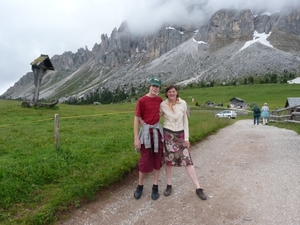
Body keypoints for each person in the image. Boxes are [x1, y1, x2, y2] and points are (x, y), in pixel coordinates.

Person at [159, 85, 207, 200]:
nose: (171, 93)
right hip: (168, 135)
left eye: (173, 91)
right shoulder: (162, 105)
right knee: (169, 161)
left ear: (177, 92)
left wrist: (186, 138)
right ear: (166, 94)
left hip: (180, 134)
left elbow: (185, 121)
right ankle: (169, 185)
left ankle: (198, 188)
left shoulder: (183, 103)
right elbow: (156, 116)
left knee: (187, 160)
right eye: (169, 92)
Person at [133, 77, 164, 200]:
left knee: (157, 159)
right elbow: (136, 118)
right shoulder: (142, 100)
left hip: (157, 132)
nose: (155, 88)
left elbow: (162, 112)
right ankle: (140, 185)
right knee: (144, 160)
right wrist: (136, 138)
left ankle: (155, 186)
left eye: (157, 87)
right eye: (153, 86)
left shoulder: (159, 100)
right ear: (149, 86)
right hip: (146, 133)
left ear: (159, 88)